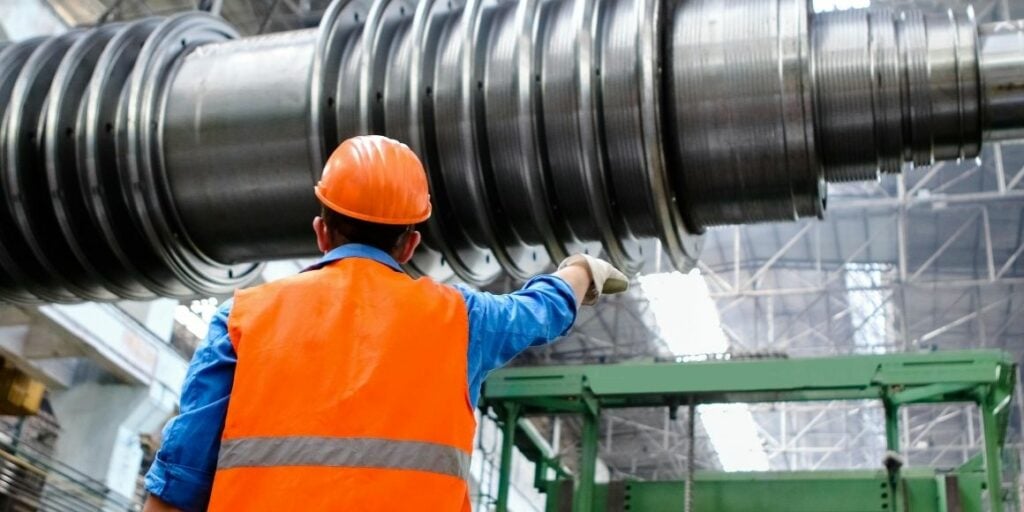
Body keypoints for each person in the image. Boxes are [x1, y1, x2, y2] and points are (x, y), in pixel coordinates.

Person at [142, 135, 628, 511]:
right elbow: (541, 311)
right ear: (410, 244)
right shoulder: (462, 320)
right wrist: (580, 271)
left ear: (321, 231)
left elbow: (179, 479)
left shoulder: (243, 318)